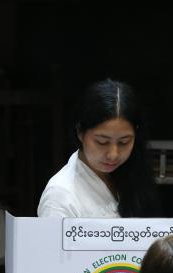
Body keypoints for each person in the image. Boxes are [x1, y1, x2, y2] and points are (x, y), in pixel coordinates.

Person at [37, 78, 160, 218]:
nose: (113, 154)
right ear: (80, 132)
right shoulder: (60, 196)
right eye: (102, 142)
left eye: (124, 142)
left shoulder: (133, 172)